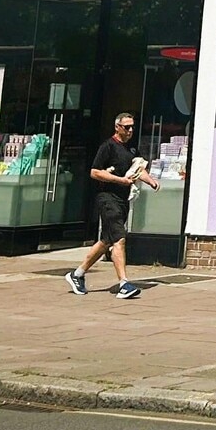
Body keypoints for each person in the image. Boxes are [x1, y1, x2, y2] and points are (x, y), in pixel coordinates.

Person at [66, 112, 155, 301]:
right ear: (117, 127)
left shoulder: (131, 148)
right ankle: (124, 283)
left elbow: (138, 169)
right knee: (119, 239)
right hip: (107, 198)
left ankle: (77, 274)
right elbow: (95, 172)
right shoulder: (107, 147)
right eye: (126, 127)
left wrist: (151, 181)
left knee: (106, 240)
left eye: (132, 127)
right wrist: (119, 180)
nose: (130, 130)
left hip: (123, 199)